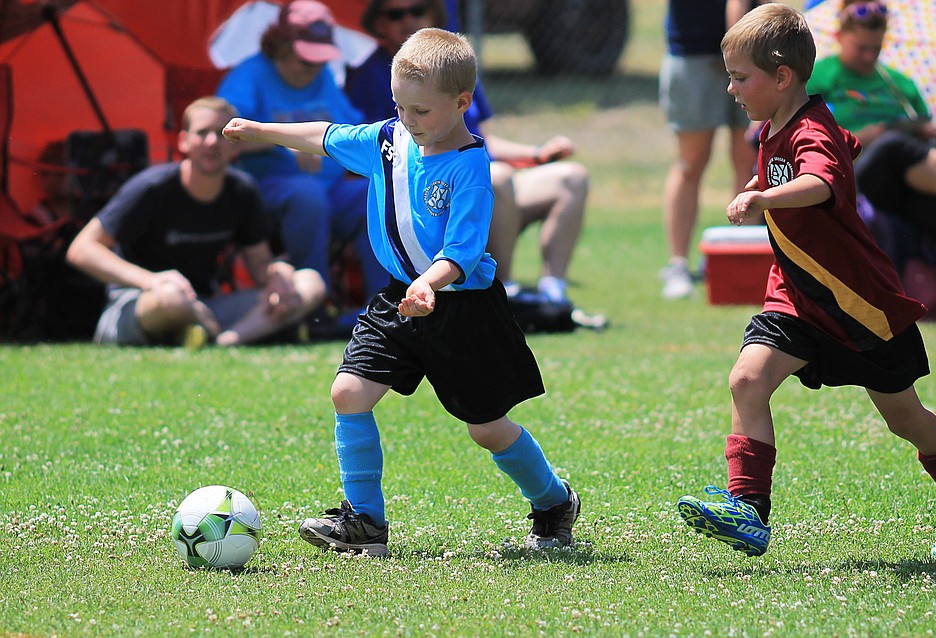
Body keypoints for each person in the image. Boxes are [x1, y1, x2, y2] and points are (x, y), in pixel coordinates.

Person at [223, 28, 581, 556]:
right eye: (399, 107)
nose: (408, 121)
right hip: (398, 301)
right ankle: (365, 524)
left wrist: (428, 283)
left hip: (462, 309)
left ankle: (553, 502)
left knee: (485, 428)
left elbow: (462, 252)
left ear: (462, 103)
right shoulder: (388, 142)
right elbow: (323, 135)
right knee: (348, 392)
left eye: (420, 111)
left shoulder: (470, 168)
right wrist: (259, 129)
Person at [677, 4, 936, 559]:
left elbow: (820, 179)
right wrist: (760, 178)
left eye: (739, 77)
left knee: (905, 417)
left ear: (781, 77)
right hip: (796, 294)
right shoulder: (777, 126)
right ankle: (748, 510)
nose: (730, 89)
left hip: (856, 302)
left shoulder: (811, 129)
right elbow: (836, 149)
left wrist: (765, 196)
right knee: (747, 380)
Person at [345, 0, 589, 306]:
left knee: (571, 178)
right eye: (395, 14)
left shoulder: (452, 68)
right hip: (435, 202)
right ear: (378, 22)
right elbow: (374, 150)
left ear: (434, 13)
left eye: (417, 10)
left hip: (482, 188)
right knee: (498, 177)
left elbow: (484, 140)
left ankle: (553, 290)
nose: (407, 20)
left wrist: (538, 154)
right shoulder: (372, 74)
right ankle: (503, 292)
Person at [66, 96, 326, 347]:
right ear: (183, 141)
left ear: (236, 144)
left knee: (310, 283)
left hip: (204, 305)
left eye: (222, 134)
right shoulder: (151, 188)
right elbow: (81, 249)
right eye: (202, 133)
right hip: (140, 302)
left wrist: (277, 275)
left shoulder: (242, 191)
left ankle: (226, 341)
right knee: (171, 297)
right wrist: (151, 281)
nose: (212, 142)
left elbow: (260, 266)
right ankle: (207, 331)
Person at [806, 0, 936, 311]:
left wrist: (928, 132)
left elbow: (928, 133)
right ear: (840, 36)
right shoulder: (818, 77)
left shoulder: (898, 83)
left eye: (875, 49)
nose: (868, 57)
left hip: (902, 181)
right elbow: (806, 137)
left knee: (934, 208)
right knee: (891, 143)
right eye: (861, 48)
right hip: (848, 174)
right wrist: (867, 136)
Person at [216, 0, 389, 330]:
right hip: (266, 191)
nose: (312, 68)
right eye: (304, 58)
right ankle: (312, 309)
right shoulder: (248, 77)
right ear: (280, 45)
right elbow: (224, 136)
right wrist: (284, 144)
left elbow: (350, 128)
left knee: (377, 191)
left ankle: (383, 306)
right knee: (306, 195)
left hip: (331, 190)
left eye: (318, 59)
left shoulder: (322, 77)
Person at [659, 0, 761, 300]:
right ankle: (678, 265)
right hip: (694, 53)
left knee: (749, 161)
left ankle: (741, 261)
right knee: (690, 163)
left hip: (753, 58)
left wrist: (744, 50)